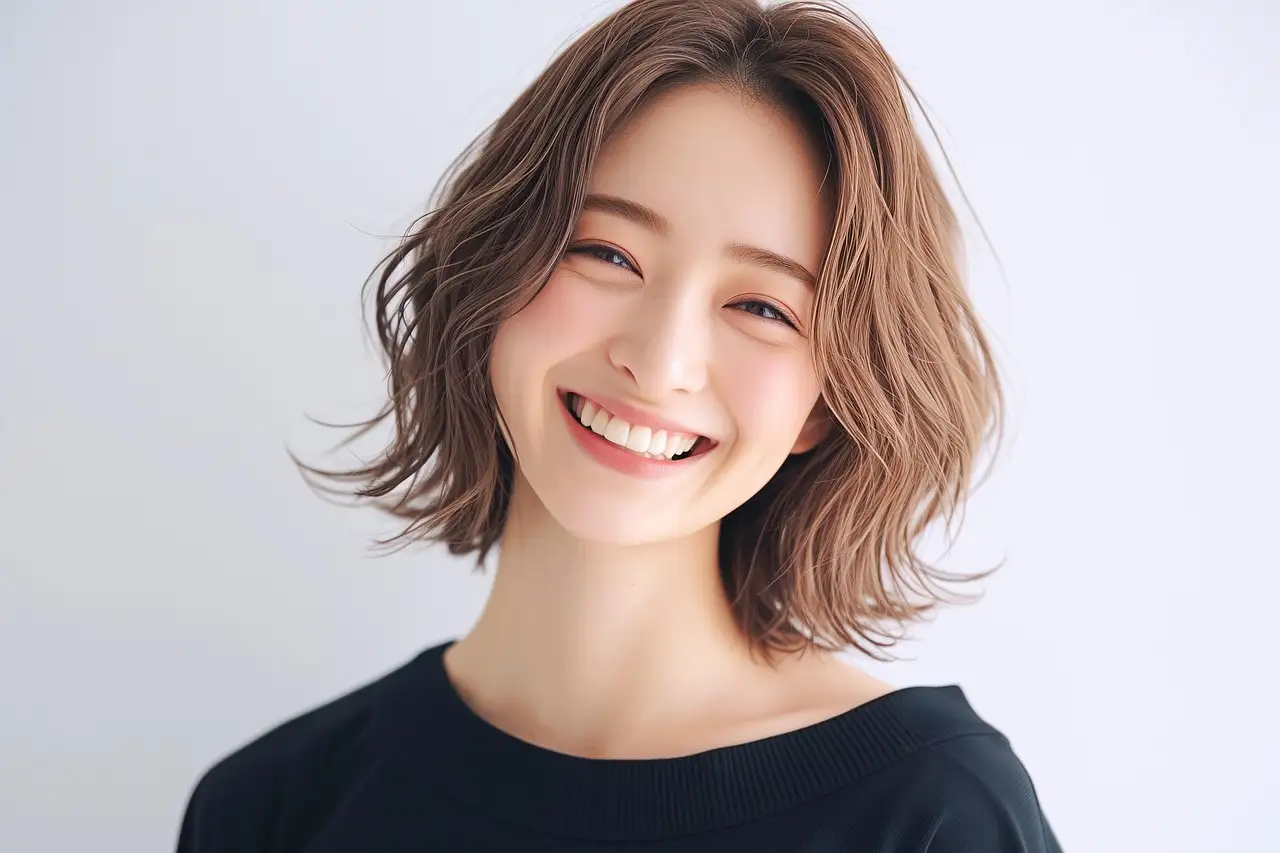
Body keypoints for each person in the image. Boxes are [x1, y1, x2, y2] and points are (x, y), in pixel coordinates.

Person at [176, 0, 1063, 849]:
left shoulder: (931, 814)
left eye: (761, 307)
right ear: (493, 277)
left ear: (825, 407)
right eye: (606, 252)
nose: (661, 359)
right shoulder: (273, 804)